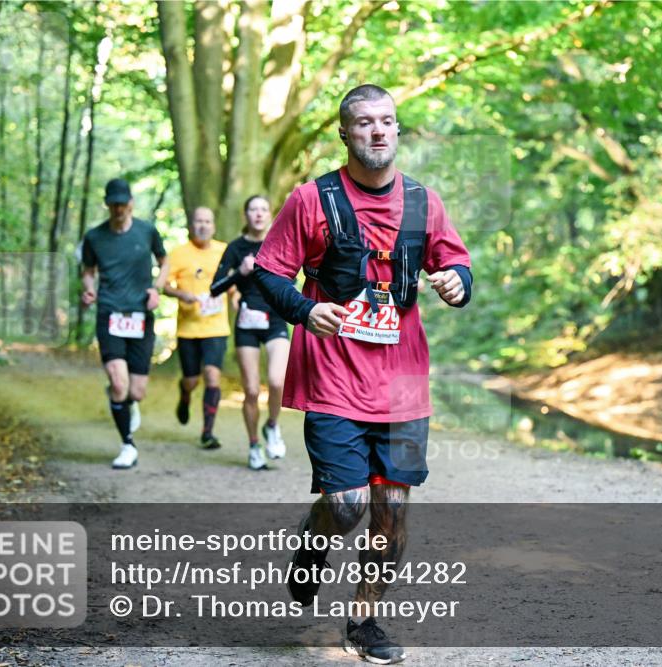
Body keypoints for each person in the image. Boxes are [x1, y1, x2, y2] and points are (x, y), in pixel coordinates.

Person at [252, 84, 472, 664]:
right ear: (345, 133)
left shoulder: (425, 203)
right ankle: (311, 543)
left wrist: (456, 283)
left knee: (391, 515)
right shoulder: (311, 200)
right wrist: (305, 309)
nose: (378, 131)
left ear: (397, 131)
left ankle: (363, 621)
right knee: (347, 505)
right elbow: (268, 274)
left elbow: (455, 262)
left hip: (403, 386)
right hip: (334, 378)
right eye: (364, 122)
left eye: (387, 121)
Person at [81, 178, 167, 469]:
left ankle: (125, 400)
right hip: (110, 313)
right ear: (108, 204)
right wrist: (89, 288)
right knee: (119, 383)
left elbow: (164, 261)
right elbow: (88, 270)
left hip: (141, 316)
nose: (118, 208)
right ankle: (127, 444)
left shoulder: (147, 231)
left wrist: (157, 288)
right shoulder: (94, 237)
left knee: (136, 391)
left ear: (131, 203)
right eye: (113, 203)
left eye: (123, 203)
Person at [211, 195, 290, 470]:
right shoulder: (236, 247)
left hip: (276, 319)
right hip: (247, 323)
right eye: (253, 209)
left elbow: (294, 276)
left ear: (270, 214)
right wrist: (240, 273)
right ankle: (255, 445)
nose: (258, 214)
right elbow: (215, 288)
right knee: (252, 390)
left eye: (263, 209)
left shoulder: (281, 240)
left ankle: (272, 425)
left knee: (278, 382)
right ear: (246, 215)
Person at [164, 206, 229, 449]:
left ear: (213, 226)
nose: (203, 225)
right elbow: (164, 285)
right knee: (191, 380)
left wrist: (235, 295)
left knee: (212, 376)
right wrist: (182, 294)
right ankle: (185, 394)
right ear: (191, 225)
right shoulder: (178, 254)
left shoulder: (224, 251)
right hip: (188, 329)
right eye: (198, 221)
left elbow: (234, 280)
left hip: (216, 327)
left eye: (207, 221)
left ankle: (207, 432)